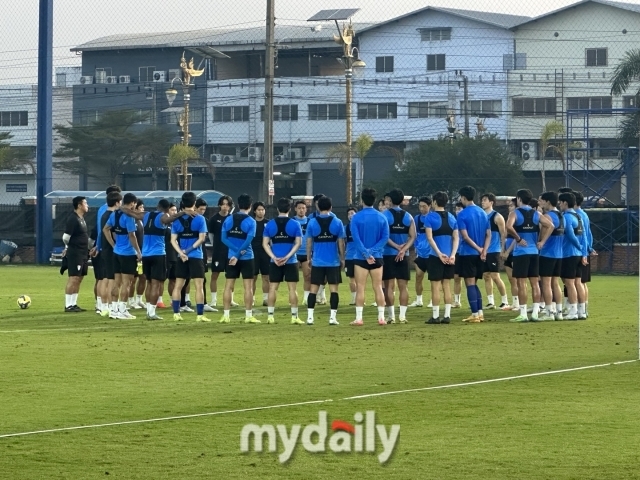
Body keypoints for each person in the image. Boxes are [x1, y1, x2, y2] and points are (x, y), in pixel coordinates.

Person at [506, 189, 552, 322]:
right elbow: (550, 225)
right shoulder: (536, 214)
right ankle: (536, 314)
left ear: (519, 199)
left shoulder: (514, 213)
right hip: (534, 252)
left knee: (521, 283)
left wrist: (518, 239)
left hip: (521, 253)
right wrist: (542, 241)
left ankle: (523, 314)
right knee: (535, 283)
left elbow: (509, 227)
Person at [349, 188, 389, 326]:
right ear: (375, 200)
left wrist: (366, 253)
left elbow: (356, 238)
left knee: (360, 287)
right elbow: (385, 238)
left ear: (362, 200)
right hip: (377, 257)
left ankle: (359, 318)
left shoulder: (356, 217)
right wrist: (373, 251)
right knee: (378, 287)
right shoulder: (382, 217)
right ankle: (381, 318)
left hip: (361, 258)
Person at [262, 197, 304, 324]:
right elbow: (298, 243)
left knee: (272, 288)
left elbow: (265, 244)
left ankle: (270, 316)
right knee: (292, 289)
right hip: (290, 261)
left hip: (274, 261)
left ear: (276, 209)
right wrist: (287, 257)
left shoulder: (269, 224)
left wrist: (274, 257)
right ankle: (294, 317)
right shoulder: (295, 224)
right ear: (290, 209)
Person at [305, 196, 346, 325]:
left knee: (313, 289)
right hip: (333, 262)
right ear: (331, 207)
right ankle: (332, 318)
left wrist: (308, 258)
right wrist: (342, 258)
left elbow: (309, 243)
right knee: (334, 290)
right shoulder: (337, 222)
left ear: (318, 207)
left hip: (317, 261)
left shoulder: (312, 222)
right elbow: (341, 243)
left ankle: (310, 317)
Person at [170, 192, 209, 322]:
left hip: (181, 257)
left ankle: (176, 313)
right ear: (194, 203)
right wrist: (188, 250)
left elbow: (173, 240)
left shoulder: (177, 219)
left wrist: (181, 253)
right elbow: (202, 238)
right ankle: (199, 315)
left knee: (178, 286)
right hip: (196, 256)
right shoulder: (200, 219)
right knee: (199, 286)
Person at [141, 199, 182, 320]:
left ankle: (148, 311)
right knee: (156, 284)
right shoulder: (164, 216)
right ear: (167, 208)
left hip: (145, 254)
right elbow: (169, 219)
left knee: (149, 283)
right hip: (158, 254)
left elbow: (133, 214)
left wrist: (122, 208)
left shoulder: (146, 214)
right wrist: (183, 212)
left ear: (157, 205)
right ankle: (152, 313)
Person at [220, 194, 258, 324]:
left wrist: (234, 254)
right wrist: (238, 254)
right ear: (250, 206)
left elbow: (223, 239)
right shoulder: (251, 221)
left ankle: (225, 316)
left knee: (228, 286)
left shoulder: (228, 219)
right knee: (248, 287)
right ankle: (248, 316)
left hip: (231, 257)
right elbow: (248, 241)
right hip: (246, 257)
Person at [456, 186, 491, 323]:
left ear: (464, 197)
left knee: (469, 283)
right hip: (481, 254)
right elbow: (489, 235)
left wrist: (477, 248)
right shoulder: (483, 213)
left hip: (468, 253)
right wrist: (484, 250)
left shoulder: (462, 215)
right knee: (475, 283)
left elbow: (464, 236)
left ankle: (475, 314)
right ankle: (480, 313)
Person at [103, 193, 140, 320]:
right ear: (132, 203)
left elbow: (105, 229)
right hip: (128, 254)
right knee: (127, 283)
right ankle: (123, 310)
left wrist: (113, 244)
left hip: (117, 253)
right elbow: (132, 236)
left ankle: (113, 310)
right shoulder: (128, 216)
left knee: (116, 283)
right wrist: (139, 252)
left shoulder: (114, 214)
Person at [424, 191, 459, 324]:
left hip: (435, 257)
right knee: (447, 286)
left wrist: (439, 254)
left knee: (435, 286)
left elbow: (429, 238)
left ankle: (435, 316)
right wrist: (453, 255)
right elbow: (456, 238)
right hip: (450, 257)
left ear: (434, 202)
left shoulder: (430, 217)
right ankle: (447, 316)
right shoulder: (452, 217)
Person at [382, 189, 416, 324]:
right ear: (402, 201)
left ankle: (391, 316)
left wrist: (396, 247)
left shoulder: (384, 215)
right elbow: (413, 237)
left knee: (388, 286)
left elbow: (384, 236)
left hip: (388, 254)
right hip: (404, 255)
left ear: (390, 200)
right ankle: (402, 316)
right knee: (403, 286)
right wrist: (403, 249)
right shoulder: (409, 217)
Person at [558, 192, 588, 320]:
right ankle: (582, 311)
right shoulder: (578, 216)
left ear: (565, 203)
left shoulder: (566, 217)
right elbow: (584, 237)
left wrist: (579, 247)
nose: (559, 204)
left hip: (569, 254)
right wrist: (584, 252)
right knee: (578, 282)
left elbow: (570, 235)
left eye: (560, 202)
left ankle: (573, 312)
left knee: (569, 284)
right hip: (578, 255)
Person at [537, 191, 564, 321]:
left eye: (541, 201)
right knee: (555, 283)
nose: (540, 203)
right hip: (559, 254)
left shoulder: (547, 216)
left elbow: (547, 230)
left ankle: (548, 313)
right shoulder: (561, 215)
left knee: (546, 283)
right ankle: (558, 312)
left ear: (547, 201)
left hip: (548, 253)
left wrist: (541, 241)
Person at [95, 185, 122, 316]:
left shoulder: (102, 211)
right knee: (111, 278)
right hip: (110, 249)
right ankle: (111, 307)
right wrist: (114, 245)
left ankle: (102, 306)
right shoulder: (113, 214)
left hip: (103, 247)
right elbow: (110, 232)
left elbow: (100, 231)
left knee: (102, 278)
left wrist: (98, 246)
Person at [480, 193, 510, 310]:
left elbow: (503, 234)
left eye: (485, 200)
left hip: (494, 250)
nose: (482, 202)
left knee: (495, 276)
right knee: (486, 276)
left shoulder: (497, 217)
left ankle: (505, 301)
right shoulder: (481, 216)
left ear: (491, 202)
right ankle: (490, 302)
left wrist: (503, 249)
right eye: (482, 200)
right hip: (484, 251)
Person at [207, 195, 237, 310]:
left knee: (231, 276)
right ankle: (213, 300)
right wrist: (216, 245)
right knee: (215, 275)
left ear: (230, 206)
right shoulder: (214, 219)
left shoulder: (233, 219)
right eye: (223, 204)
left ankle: (231, 299)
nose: (225, 206)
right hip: (218, 251)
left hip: (230, 252)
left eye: (227, 204)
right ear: (220, 205)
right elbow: (211, 235)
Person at [62, 196, 90, 312]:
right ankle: (68, 305)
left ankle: (74, 303)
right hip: (76, 253)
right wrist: (68, 248)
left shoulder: (81, 218)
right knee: (73, 277)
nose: (87, 205)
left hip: (83, 252)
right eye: (85, 203)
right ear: (79, 205)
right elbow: (65, 237)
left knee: (79, 278)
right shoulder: (73, 219)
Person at [574, 191, 595, 316]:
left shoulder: (577, 215)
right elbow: (589, 234)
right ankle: (584, 308)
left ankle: (580, 309)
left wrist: (586, 250)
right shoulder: (584, 214)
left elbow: (583, 236)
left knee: (578, 281)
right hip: (585, 250)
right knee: (582, 282)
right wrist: (589, 248)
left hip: (580, 251)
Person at [409, 196, 433, 309]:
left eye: (424, 206)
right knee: (418, 276)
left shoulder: (433, 218)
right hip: (421, 253)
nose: (422, 208)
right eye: (420, 206)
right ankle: (419, 300)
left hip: (432, 253)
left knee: (434, 278)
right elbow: (414, 235)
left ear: (430, 206)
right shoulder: (417, 219)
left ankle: (433, 300)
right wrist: (415, 248)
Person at [308, 193, 331, 305]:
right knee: (316, 275)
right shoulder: (311, 218)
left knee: (326, 277)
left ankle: (322, 293)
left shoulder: (333, 218)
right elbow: (309, 238)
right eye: (317, 203)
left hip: (329, 253)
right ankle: (318, 295)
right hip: (315, 251)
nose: (319, 205)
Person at [501, 198, 520, 311]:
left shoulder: (517, 220)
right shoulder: (508, 219)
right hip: (507, 252)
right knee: (511, 279)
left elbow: (516, 239)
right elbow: (504, 236)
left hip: (514, 252)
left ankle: (519, 304)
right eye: (509, 206)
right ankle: (514, 302)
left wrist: (508, 251)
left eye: (512, 206)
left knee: (518, 279)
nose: (510, 208)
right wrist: (503, 249)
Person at [251, 201, 270, 307]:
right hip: (253, 252)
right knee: (253, 277)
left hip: (265, 253)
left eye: (262, 210)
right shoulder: (251, 222)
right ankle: (252, 299)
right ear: (254, 211)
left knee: (266, 277)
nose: (261, 212)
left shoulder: (269, 223)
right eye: (259, 210)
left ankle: (266, 299)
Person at [129, 199, 146, 310]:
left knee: (143, 277)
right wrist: (136, 252)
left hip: (142, 254)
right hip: (135, 255)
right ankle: (130, 301)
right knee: (133, 279)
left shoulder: (141, 221)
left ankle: (139, 299)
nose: (143, 210)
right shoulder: (131, 220)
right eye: (141, 207)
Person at [293, 200, 311, 304]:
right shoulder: (292, 221)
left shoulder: (310, 221)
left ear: (306, 209)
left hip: (306, 253)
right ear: (295, 209)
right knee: (293, 278)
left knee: (307, 276)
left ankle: (306, 298)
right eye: (299, 208)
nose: (301, 210)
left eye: (303, 208)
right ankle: (293, 297)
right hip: (294, 253)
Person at [344, 207, 358, 305]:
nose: (351, 215)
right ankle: (354, 298)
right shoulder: (346, 228)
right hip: (349, 257)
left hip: (359, 257)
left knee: (360, 280)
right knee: (351, 279)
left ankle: (360, 298)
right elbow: (342, 241)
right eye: (349, 214)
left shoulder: (360, 226)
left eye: (352, 213)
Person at [452, 201, 464, 308]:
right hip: (457, 252)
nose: (458, 211)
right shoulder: (454, 221)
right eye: (456, 209)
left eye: (460, 208)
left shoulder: (467, 221)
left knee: (470, 278)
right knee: (456, 277)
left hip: (467, 252)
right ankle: (457, 300)